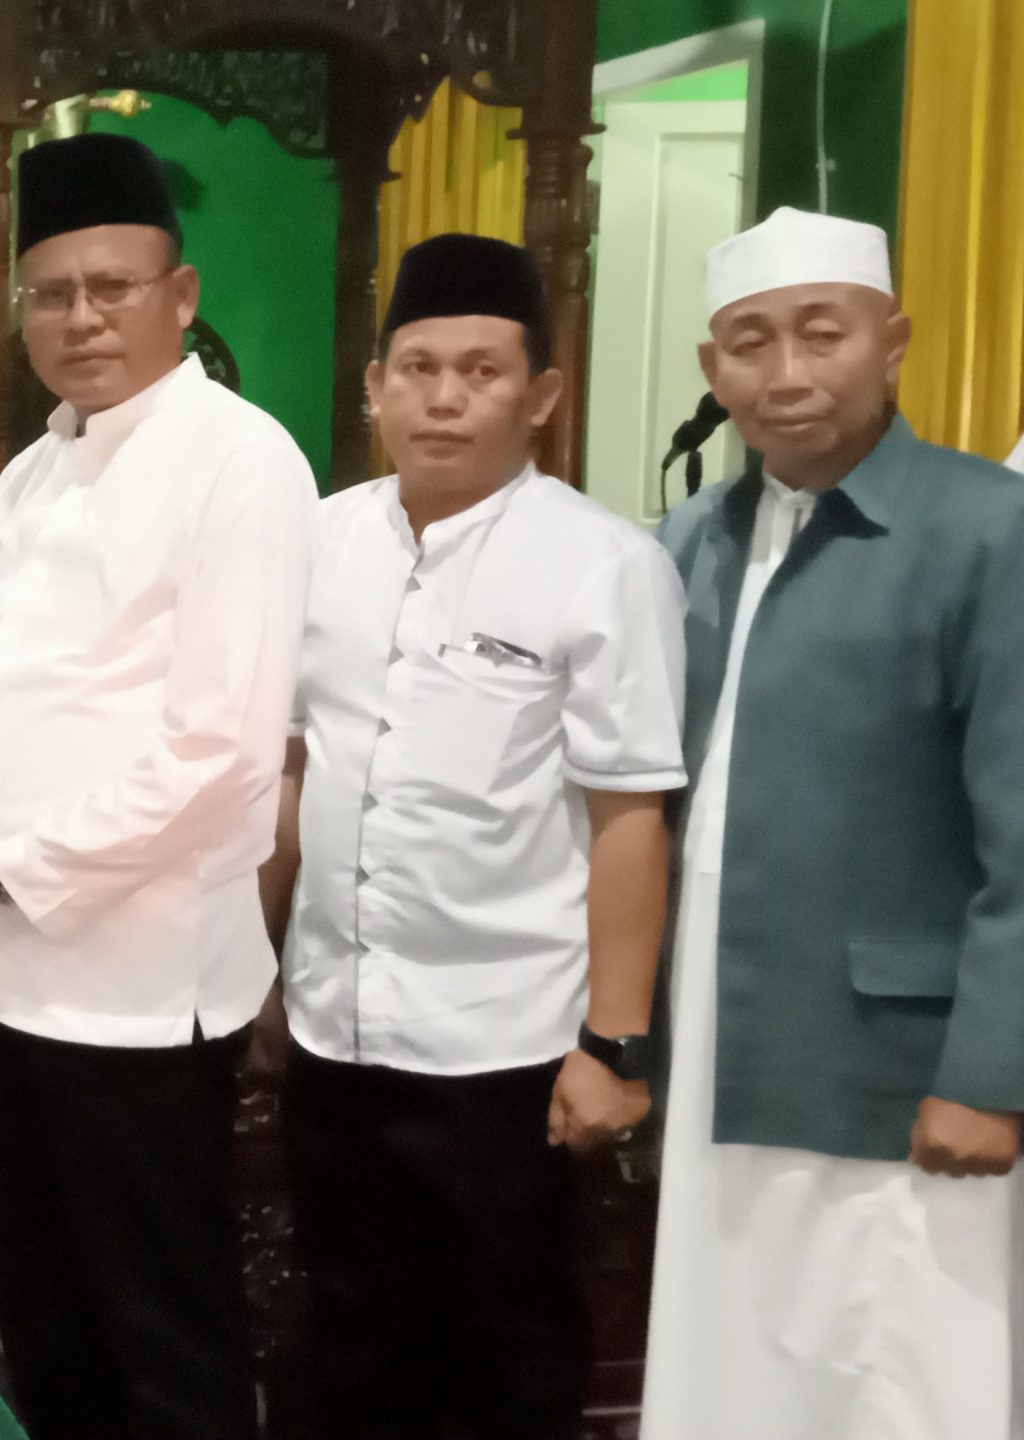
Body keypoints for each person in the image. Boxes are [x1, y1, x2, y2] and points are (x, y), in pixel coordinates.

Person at [0, 132, 318, 1440]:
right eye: (53, 293)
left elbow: (221, 752)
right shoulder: (32, 470)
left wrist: (11, 866)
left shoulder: (241, 461)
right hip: (12, 965)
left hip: (138, 980)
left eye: (112, 287)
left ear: (180, 294)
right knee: (47, 1306)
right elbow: (17, 699)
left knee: (159, 1331)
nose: (82, 319)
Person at [260, 234, 684, 1440]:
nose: (443, 397)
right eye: (418, 367)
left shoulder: (604, 565)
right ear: (374, 385)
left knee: (504, 1357)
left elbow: (628, 816)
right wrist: (260, 968)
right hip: (336, 1025)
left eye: (481, 372)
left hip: (507, 1046)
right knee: (347, 1336)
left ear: (539, 395)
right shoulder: (319, 543)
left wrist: (613, 1044)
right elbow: (293, 769)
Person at [641, 207, 1024, 1440]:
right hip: (715, 1035)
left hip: (897, 1067)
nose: (787, 373)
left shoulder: (990, 530)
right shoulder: (686, 540)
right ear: (711, 368)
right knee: (723, 1363)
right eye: (750, 341)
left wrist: (991, 1076)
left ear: (893, 342)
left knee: (899, 1378)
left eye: (823, 333)